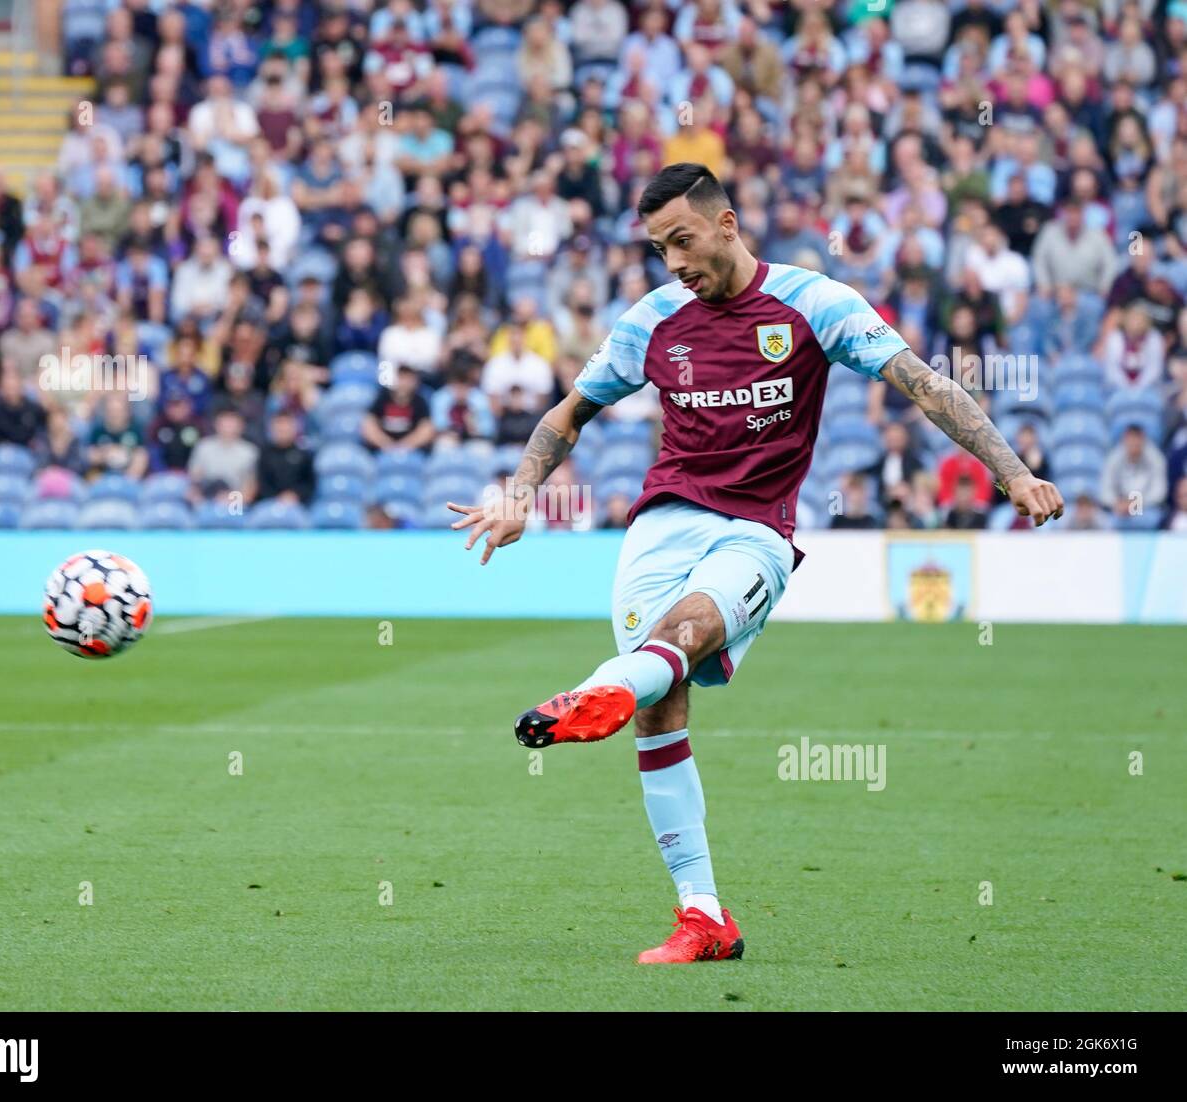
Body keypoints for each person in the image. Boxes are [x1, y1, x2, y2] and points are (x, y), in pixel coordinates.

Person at [447, 164, 1064, 964]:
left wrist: (1012, 471)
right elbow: (572, 411)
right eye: (660, 248)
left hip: (754, 531)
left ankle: (597, 690)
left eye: (683, 240)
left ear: (728, 224)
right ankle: (702, 916)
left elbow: (924, 385)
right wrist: (522, 491)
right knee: (660, 707)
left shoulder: (816, 304)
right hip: (660, 528)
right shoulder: (654, 320)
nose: (674, 262)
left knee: (685, 635)